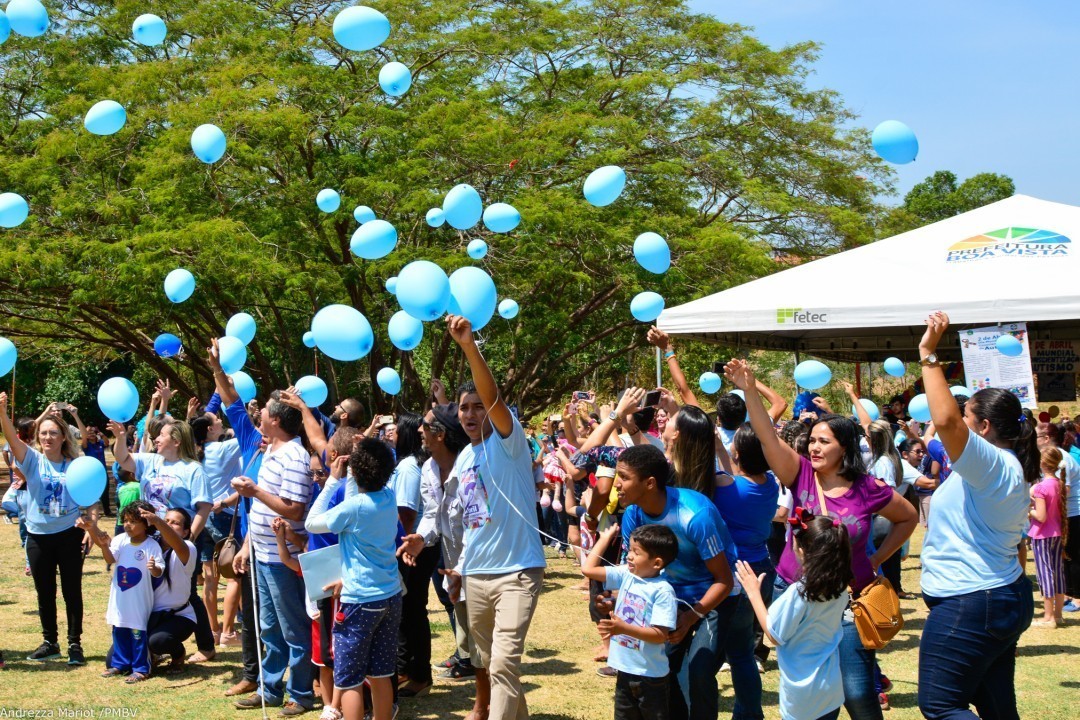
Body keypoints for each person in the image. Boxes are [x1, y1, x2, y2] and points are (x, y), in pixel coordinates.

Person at [725, 359, 917, 720]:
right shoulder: (799, 474)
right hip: (793, 589)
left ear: (844, 447)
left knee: (859, 692)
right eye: (811, 441)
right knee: (807, 686)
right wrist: (750, 390)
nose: (813, 448)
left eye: (823, 442)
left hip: (848, 600)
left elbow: (907, 517)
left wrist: (877, 560)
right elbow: (767, 437)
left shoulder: (868, 488)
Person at [915, 311, 1035, 720]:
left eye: (968, 420)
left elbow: (945, 419)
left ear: (983, 428)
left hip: (973, 601)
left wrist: (928, 354)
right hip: (995, 596)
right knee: (998, 708)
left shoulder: (991, 463)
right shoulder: (1003, 466)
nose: (956, 427)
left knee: (941, 705)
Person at [440, 314, 546, 720]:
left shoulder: (510, 440)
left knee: (503, 664)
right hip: (477, 576)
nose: (469, 414)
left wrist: (469, 347)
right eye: (463, 408)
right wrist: (461, 571)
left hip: (518, 572)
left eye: (477, 407)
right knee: (490, 665)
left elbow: (495, 399)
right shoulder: (465, 456)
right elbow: (472, 520)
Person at [615, 442, 738, 720]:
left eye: (624, 477)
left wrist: (691, 617)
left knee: (699, 670)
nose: (617, 485)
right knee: (662, 667)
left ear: (649, 483)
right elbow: (633, 573)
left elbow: (724, 581)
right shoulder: (633, 515)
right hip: (670, 597)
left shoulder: (694, 515)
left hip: (714, 597)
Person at [229, 384, 316, 716]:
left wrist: (254, 491)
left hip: (285, 558)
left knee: (293, 628)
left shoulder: (294, 456)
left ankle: (302, 694)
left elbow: (294, 510)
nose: (259, 413)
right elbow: (265, 511)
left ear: (276, 420)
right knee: (269, 628)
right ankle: (270, 688)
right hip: (263, 554)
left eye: (264, 410)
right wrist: (248, 542)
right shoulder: (270, 451)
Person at [305, 439, 402, 720]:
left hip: (359, 601)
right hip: (390, 597)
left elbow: (312, 522)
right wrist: (350, 475)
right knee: (381, 673)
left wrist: (332, 481)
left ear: (357, 471)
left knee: (349, 679)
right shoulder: (387, 498)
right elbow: (355, 502)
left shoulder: (354, 509)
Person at [108, 419, 217, 664]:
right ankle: (149, 643)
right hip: (149, 539)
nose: (156, 439)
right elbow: (123, 459)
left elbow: (204, 506)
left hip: (178, 539)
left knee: (187, 593)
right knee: (149, 588)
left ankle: (206, 646)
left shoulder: (193, 469)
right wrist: (120, 436)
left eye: (162, 435)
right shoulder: (150, 461)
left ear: (177, 441)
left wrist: (190, 537)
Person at [735, 511, 852, 720]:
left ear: (802, 551)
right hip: (831, 687)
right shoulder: (840, 587)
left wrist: (753, 593)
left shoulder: (800, 592)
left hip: (802, 693)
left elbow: (774, 634)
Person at [0, 394, 88, 665]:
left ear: (63, 437)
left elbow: (90, 499)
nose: (48, 437)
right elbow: (13, 439)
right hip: (38, 536)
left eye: (53, 433)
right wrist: (2, 411)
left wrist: (90, 528)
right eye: (43, 433)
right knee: (44, 592)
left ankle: (75, 644)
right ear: (38, 437)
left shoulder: (76, 465)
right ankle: (51, 642)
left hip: (69, 535)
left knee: (72, 591)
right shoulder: (32, 460)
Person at [398, 403, 480, 685]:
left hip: (480, 562)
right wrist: (421, 538)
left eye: (426, 424)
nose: (419, 429)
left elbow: (476, 523)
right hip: (453, 562)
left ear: (441, 434)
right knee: (468, 632)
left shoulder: (470, 465)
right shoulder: (428, 469)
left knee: (485, 637)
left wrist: (462, 567)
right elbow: (433, 515)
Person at [581, 522, 678, 720]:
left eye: (637, 552)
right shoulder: (628, 574)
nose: (630, 556)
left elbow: (660, 635)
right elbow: (588, 569)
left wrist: (622, 628)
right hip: (624, 670)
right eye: (629, 550)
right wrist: (605, 539)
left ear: (657, 563)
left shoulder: (663, 591)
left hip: (650, 676)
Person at [714, 424, 780, 678]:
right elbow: (738, 480)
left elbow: (731, 481)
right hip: (763, 565)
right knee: (749, 632)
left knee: (735, 644)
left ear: (738, 453)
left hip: (737, 571)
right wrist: (720, 447)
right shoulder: (770, 483)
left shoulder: (724, 485)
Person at [80, 500, 164, 683]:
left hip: (139, 601)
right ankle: (120, 664)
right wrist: (103, 546)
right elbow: (111, 558)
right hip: (120, 598)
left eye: (133, 521)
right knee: (119, 629)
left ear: (146, 524)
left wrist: (153, 567)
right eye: (125, 520)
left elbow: (159, 570)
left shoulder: (151, 545)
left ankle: (141, 669)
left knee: (137, 633)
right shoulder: (120, 540)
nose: (127, 525)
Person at [387, 412, 434, 697]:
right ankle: (407, 668)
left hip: (411, 548)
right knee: (408, 612)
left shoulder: (407, 467)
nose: (389, 435)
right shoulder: (409, 464)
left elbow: (406, 513)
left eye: (394, 431)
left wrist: (396, 548)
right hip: (415, 546)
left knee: (413, 611)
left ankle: (419, 674)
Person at [191, 412, 244, 647]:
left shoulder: (196, 453)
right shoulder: (222, 450)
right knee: (235, 575)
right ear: (210, 430)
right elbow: (249, 435)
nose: (221, 420)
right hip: (225, 517)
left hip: (203, 518)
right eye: (217, 420)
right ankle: (229, 632)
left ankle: (213, 630)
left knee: (210, 578)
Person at [144, 507, 199, 673]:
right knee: (114, 659)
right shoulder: (150, 546)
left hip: (179, 616)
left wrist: (158, 522)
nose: (169, 525)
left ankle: (178, 654)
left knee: (159, 641)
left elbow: (176, 542)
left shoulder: (188, 548)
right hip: (150, 616)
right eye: (166, 520)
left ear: (185, 531)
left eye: (175, 523)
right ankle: (152, 654)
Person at [1029, 447, 1068, 628]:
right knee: (1058, 573)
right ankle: (1058, 614)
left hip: (1042, 535)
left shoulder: (1041, 487)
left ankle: (1048, 617)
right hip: (1057, 534)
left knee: (1045, 574)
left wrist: (1029, 510)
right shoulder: (1059, 484)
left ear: (1042, 464)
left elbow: (1041, 516)